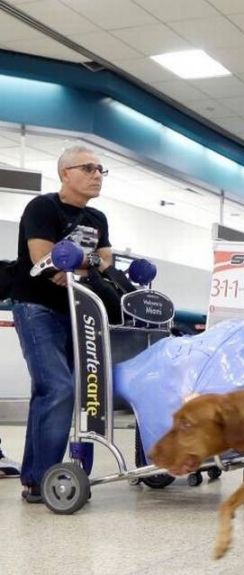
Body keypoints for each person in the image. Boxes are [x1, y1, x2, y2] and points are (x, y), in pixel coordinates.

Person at [10, 145, 113, 502]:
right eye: (88, 168)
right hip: (37, 307)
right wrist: (84, 262)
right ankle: (41, 479)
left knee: (58, 392)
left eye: (100, 169)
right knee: (58, 388)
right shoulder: (43, 207)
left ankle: (36, 476)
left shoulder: (97, 218)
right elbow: (44, 259)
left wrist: (77, 265)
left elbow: (106, 262)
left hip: (77, 310)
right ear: (65, 174)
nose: (97, 175)